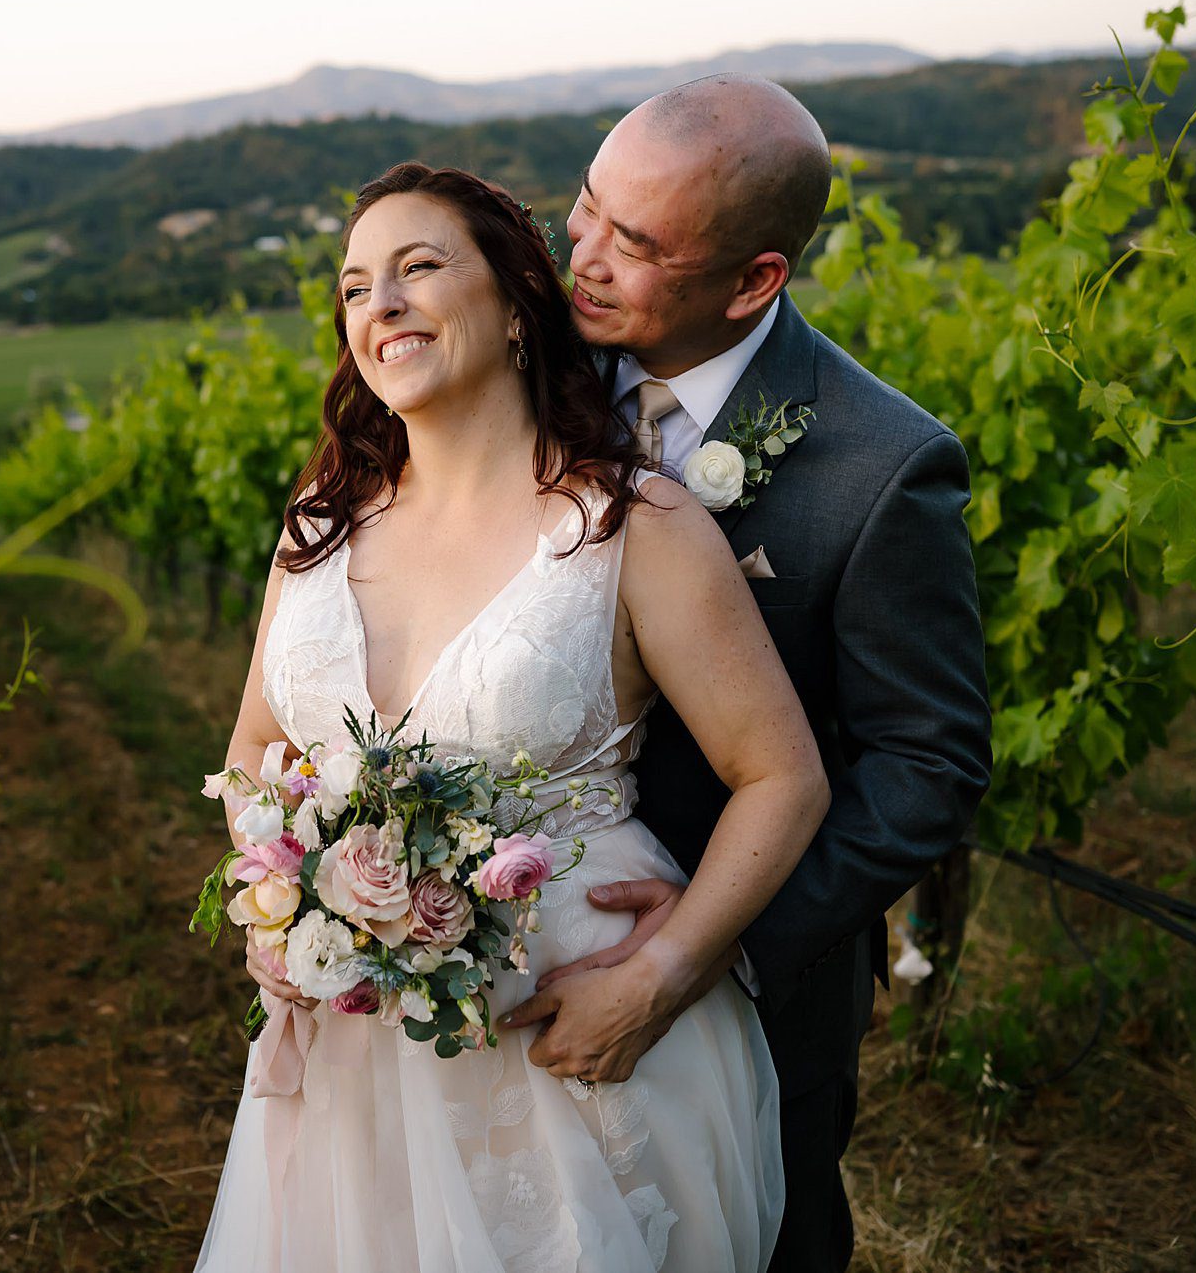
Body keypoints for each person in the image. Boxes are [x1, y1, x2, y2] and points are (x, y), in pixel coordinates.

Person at [193, 162, 830, 1271]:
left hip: (570, 1050)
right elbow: (255, 750)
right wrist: (274, 904)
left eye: (417, 268)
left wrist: (662, 971)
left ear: (515, 303)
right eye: (352, 288)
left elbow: (782, 776)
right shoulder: (318, 525)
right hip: (354, 1061)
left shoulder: (636, 525)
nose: (378, 304)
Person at [502, 75, 993, 1273]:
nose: (585, 257)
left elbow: (928, 764)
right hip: (514, 948)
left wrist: (713, 939)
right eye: (584, 208)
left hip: (763, 987)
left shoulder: (881, 466)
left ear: (752, 281)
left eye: (637, 242)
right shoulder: (517, 378)